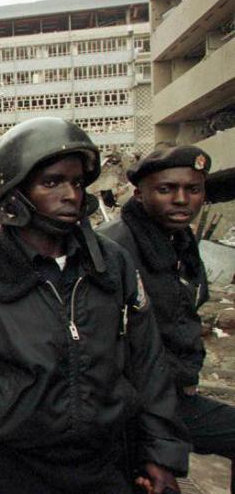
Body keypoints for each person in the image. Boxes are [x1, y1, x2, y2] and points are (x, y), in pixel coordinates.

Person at [0, 117, 189, 494]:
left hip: (102, 466)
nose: (71, 195)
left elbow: (148, 363)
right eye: (52, 182)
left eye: (76, 182)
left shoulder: (112, 265)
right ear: (15, 192)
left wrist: (162, 453)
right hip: (7, 471)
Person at [100, 146, 235, 492]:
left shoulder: (179, 241)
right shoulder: (115, 248)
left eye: (193, 190)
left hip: (173, 395)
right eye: (166, 189)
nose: (181, 200)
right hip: (135, 403)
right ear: (139, 193)